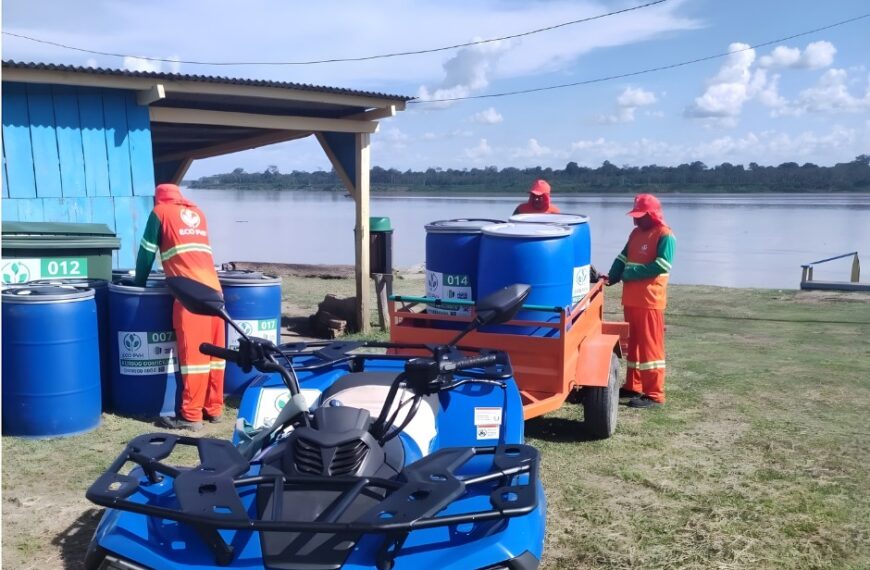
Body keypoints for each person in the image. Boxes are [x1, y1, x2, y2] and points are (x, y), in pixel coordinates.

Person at [134, 184, 225, 431]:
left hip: (190, 296)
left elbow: (146, 253)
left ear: (158, 198)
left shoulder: (160, 212)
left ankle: (191, 416)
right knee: (215, 356)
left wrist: (138, 285)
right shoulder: (198, 212)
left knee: (194, 358)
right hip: (215, 292)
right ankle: (214, 409)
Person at [603, 193, 675, 409]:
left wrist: (630, 273)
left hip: (650, 301)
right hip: (631, 300)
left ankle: (654, 394)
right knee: (633, 344)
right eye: (634, 215)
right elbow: (622, 258)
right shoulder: (635, 233)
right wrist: (611, 276)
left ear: (652, 215)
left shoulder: (665, 235)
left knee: (650, 348)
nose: (635, 219)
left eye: (640, 216)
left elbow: (662, 264)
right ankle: (633, 385)